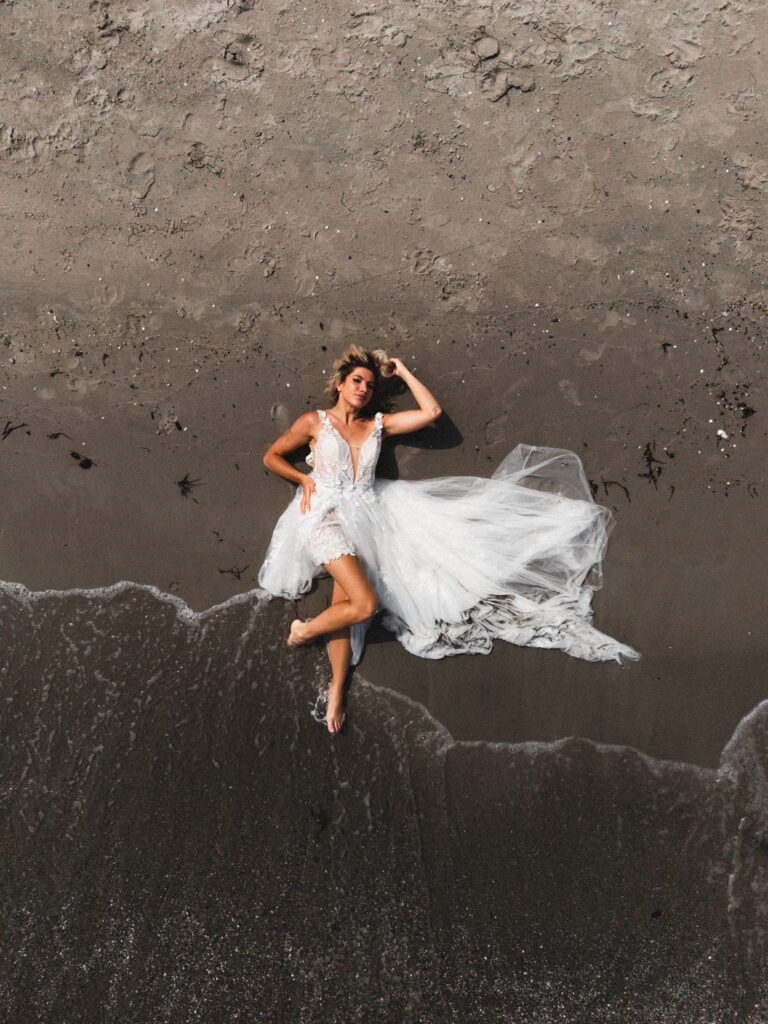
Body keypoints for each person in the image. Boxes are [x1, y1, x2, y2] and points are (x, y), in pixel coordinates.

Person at [260, 345, 638, 735]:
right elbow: (272, 456)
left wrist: (403, 370)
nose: (363, 389)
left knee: (347, 601)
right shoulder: (313, 422)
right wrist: (303, 478)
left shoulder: (378, 424)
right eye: (356, 381)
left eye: (370, 385)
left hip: (368, 519)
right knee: (365, 603)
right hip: (323, 518)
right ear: (340, 384)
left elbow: (431, 413)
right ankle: (303, 631)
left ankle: (335, 683)